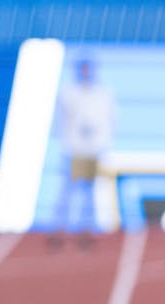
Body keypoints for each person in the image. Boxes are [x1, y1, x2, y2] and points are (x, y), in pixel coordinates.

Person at [50, 56, 115, 246]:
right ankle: (59, 229)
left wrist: (102, 143)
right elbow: (61, 120)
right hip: (74, 147)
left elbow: (109, 119)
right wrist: (66, 143)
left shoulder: (103, 93)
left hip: (94, 149)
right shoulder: (68, 92)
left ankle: (86, 229)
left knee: (89, 192)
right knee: (67, 190)